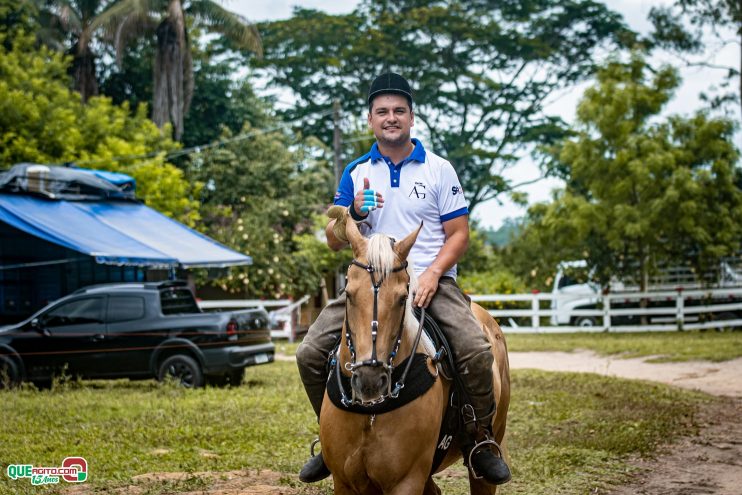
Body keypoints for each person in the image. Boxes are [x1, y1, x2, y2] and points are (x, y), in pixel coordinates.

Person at [296, 72, 511, 486]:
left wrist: (432, 273)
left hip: (432, 281)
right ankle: (331, 442)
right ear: (370, 119)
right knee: (309, 354)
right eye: (382, 112)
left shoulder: (438, 169)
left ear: (412, 118)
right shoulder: (356, 172)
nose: (390, 118)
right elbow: (332, 240)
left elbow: (459, 234)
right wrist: (353, 212)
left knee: (473, 350)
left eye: (399, 111)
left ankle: (480, 440)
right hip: (368, 284)